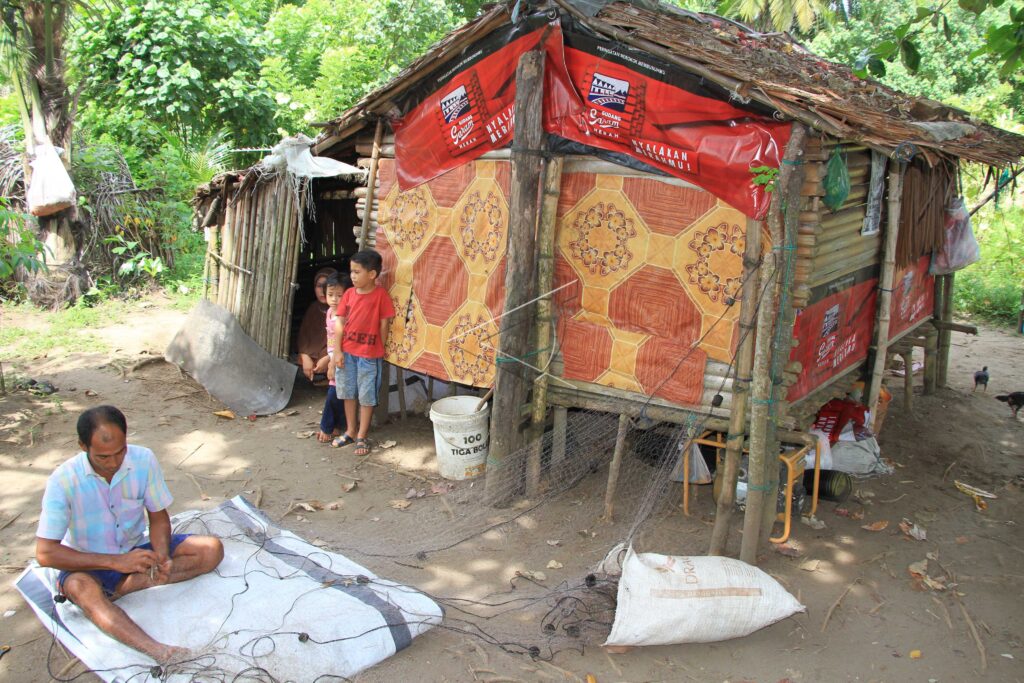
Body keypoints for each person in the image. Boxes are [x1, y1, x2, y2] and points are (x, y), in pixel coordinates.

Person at [35, 406, 224, 664]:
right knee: (81, 587)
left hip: (137, 550)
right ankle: (158, 650)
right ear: (83, 446)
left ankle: (125, 586)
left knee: (211, 549)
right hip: (89, 562)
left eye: (120, 451)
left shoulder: (143, 460)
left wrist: (160, 555)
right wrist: (114, 562)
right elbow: (45, 553)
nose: (113, 463)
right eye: (103, 457)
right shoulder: (63, 481)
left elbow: (158, 516)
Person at [332, 249, 395, 456]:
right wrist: (338, 351)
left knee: (367, 395)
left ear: (372, 274)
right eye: (351, 271)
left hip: (369, 356)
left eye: (357, 272)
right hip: (347, 353)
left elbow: (384, 325)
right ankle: (350, 431)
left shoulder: (381, 296)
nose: (352, 276)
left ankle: (362, 435)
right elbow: (339, 323)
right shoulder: (349, 295)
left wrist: (380, 349)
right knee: (348, 391)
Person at [319, 272, 351, 444]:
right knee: (338, 392)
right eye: (331, 295)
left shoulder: (345, 315)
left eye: (340, 295)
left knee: (334, 392)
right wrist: (329, 356)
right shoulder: (330, 312)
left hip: (344, 357)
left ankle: (326, 426)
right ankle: (338, 425)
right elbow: (330, 340)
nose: (334, 299)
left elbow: (343, 342)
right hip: (334, 355)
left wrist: (332, 361)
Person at [296, 267, 338, 383]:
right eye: (319, 286)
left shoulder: (341, 312)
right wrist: (305, 356)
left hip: (333, 354)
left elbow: (341, 341)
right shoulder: (313, 308)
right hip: (312, 354)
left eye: (326, 286)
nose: (322, 290)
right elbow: (303, 338)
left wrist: (328, 357)